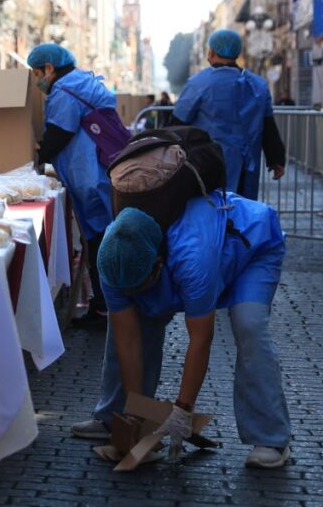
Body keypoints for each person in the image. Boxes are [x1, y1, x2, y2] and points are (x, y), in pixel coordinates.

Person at [72, 195, 292, 469]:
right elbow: (127, 340)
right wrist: (135, 414)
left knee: (249, 326)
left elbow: (200, 340)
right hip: (191, 260)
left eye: (138, 286)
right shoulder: (112, 258)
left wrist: (182, 410)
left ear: (159, 264)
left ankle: (270, 437)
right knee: (136, 320)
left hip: (250, 248)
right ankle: (115, 417)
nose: (131, 295)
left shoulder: (192, 260)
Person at [28, 43, 114, 325]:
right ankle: (106, 305)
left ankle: (105, 308)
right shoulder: (80, 81)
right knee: (101, 238)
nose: (37, 79)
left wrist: (36, 160)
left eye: (37, 72)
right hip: (96, 170)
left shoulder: (65, 91)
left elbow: (59, 133)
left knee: (99, 240)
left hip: (89, 174)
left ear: (49, 68)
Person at [171, 29, 286, 200]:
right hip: (246, 167)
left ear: (211, 52)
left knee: (209, 210)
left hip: (206, 162)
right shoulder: (258, 85)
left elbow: (177, 122)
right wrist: (276, 159)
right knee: (240, 213)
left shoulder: (199, 83)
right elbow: (268, 125)